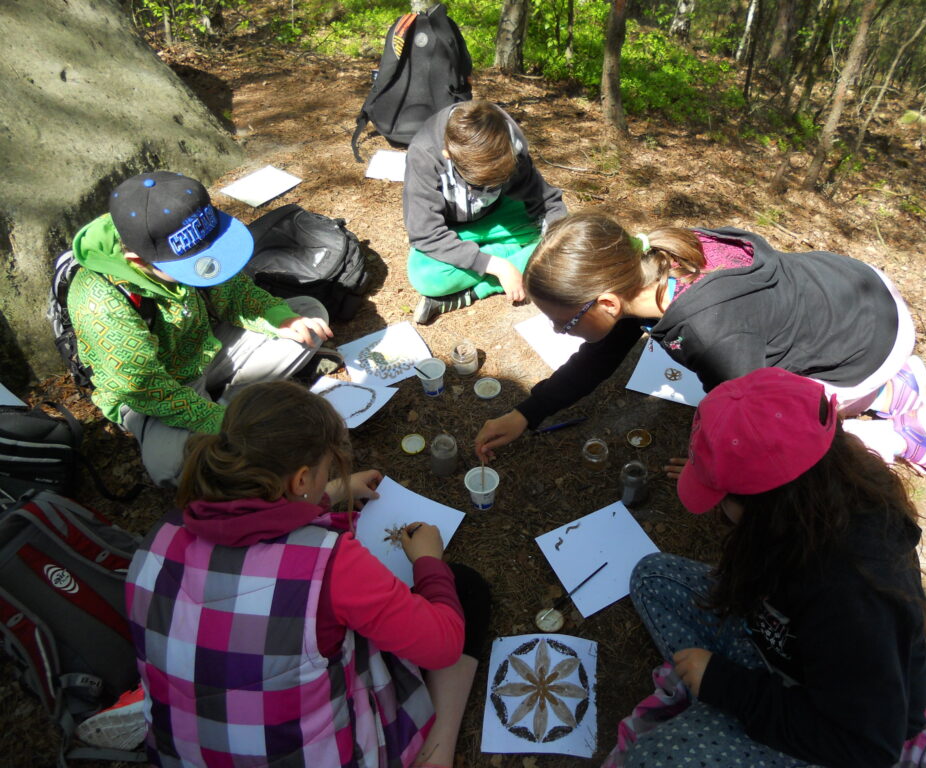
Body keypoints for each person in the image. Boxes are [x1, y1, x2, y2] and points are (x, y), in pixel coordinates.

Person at [125, 380, 490, 768]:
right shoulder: (331, 563)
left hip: (185, 757)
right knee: (465, 589)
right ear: (300, 480)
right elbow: (443, 645)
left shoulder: (158, 540)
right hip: (317, 756)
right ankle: (435, 754)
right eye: (324, 470)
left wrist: (328, 493)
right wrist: (428, 561)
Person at [474, 212, 926, 488]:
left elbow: (755, 423)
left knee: (794, 446)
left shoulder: (710, 334)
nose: (560, 333)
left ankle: (898, 430)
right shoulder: (650, 268)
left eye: (565, 323)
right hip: (853, 291)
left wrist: (707, 471)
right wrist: (528, 412)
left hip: (867, 343)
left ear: (606, 303)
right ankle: (889, 388)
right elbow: (602, 355)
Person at [621, 368, 926, 767]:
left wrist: (727, 686)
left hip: (833, 728)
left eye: (722, 496)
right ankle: (722, 718)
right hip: (783, 650)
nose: (718, 509)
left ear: (767, 504)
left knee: (650, 760)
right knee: (652, 576)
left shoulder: (853, 595)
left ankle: (722, 722)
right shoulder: (816, 500)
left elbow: (867, 747)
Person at [68, 170, 337, 487]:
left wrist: (280, 318)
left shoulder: (180, 240)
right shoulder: (99, 300)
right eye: (192, 265)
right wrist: (220, 422)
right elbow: (145, 389)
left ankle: (232, 411)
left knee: (308, 315)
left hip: (205, 350)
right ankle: (233, 412)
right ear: (138, 261)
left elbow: (234, 294)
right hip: (157, 390)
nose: (208, 264)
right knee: (172, 466)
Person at [403, 99, 567, 324]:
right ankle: (515, 256)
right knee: (425, 277)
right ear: (447, 154)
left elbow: (547, 201)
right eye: (477, 184)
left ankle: (477, 289)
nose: (484, 190)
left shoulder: (508, 141)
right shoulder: (424, 154)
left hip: (502, 215)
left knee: (561, 239)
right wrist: (497, 266)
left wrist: (558, 240)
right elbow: (426, 234)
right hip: (454, 228)